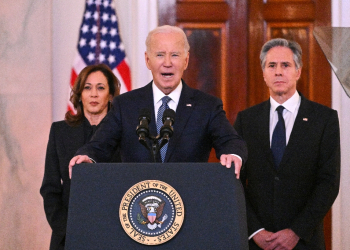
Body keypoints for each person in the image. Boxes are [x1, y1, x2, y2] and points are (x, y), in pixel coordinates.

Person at [68, 25, 247, 178]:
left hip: (188, 204)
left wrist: (232, 155)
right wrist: (87, 156)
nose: (167, 63)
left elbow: (231, 142)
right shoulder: (125, 105)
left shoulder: (206, 106)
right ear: (148, 60)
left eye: (175, 55)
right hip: (137, 206)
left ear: (186, 61)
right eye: (160, 55)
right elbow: (99, 145)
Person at [234, 38, 340, 249]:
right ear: (264, 73)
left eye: (286, 65)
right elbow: (235, 181)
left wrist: (296, 232)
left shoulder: (324, 119)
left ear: (298, 71)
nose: (278, 72)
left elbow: (328, 183)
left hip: (304, 241)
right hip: (257, 242)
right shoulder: (246, 121)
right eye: (271, 66)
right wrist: (254, 230)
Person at [40, 64, 121, 250]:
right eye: (87, 87)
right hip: (68, 237)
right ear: (79, 94)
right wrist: (68, 231)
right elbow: (50, 189)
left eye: (100, 88)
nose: (93, 94)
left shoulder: (124, 134)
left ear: (110, 95)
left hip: (115, 235)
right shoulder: (60, 132)